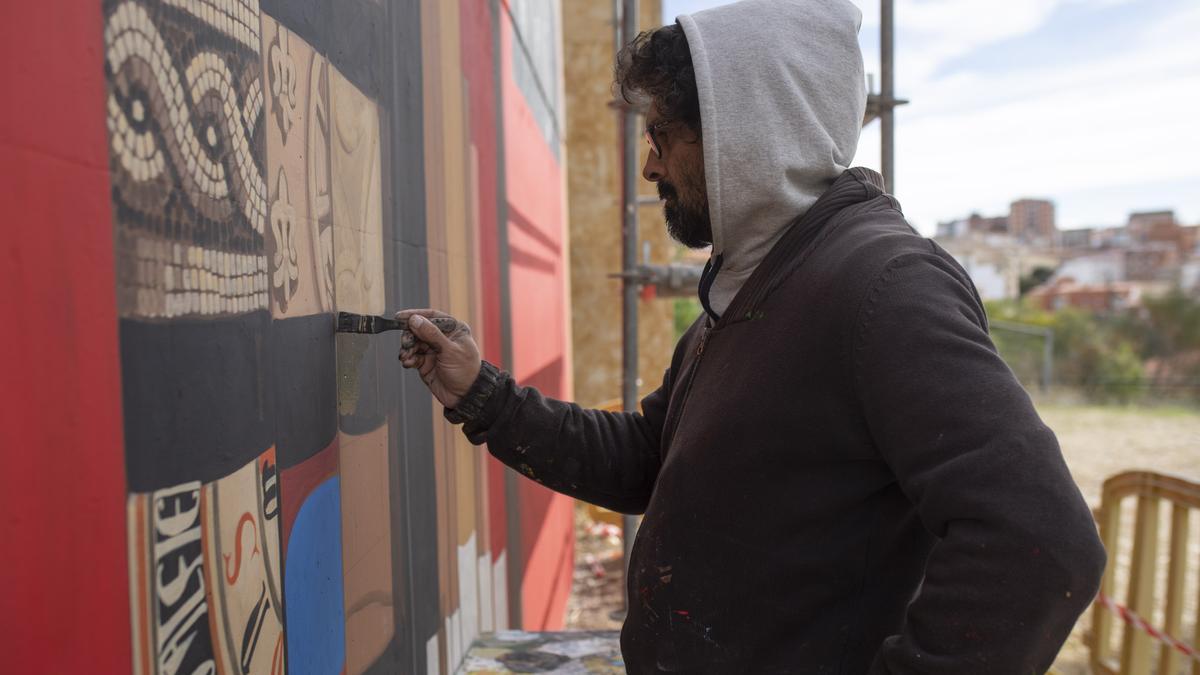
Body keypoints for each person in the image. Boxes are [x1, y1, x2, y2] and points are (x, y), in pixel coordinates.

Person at [399, 0, 1106, 671]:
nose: (649, 166)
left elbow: (1039, 540)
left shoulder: (883, 287)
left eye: (663, 137)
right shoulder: (750, 283)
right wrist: (483, 394)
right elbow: (645, 460)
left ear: (747, 133)